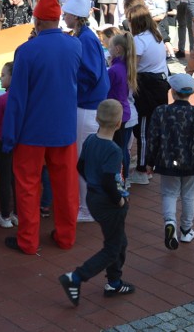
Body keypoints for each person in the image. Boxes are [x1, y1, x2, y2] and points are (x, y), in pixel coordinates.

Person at [3, 0, 82, 254]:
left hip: (31, 132)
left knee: (27, 187)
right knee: (66, 186)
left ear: (36, 19)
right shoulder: (74, 46)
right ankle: (66, 236)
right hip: (64, 130)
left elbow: (17, 99)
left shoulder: (26, 51)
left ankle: (28, 240)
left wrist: (9, 136)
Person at [59, 99, 133, 307]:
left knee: (119, 241)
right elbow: (110, 180)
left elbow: (80, 166)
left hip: (93, 198)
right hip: (109, 202)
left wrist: (93, 181)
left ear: (97, 118)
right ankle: (76, 277)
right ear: (119, 123)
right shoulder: (114, 150)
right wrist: (118, 199)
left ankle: (114, 281)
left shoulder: (91, 140)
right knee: (113, 247)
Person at [145, 73, 194, 247]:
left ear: (173, 92)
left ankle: (170, 222)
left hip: (167, 162)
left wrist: (149, 162)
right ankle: (186, 230)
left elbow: (152, 138)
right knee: (188, 196)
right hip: (191, 162)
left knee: (169, 193)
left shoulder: (161, 111)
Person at [61, 0, 110, 223]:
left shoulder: (85, 39)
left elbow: (89, 74)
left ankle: (86, 209)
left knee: (83, 159)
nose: (63, 17)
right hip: (91, 105)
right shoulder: (86, 36)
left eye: (66, 14)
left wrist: (71, 88)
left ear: (76, 15)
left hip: (86, 106)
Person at [126, 5, 170, 186]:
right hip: (159, 83)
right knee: (151, 128)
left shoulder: (139, 39)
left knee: (143, 130)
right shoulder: (155, 34)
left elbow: (132, 65)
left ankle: (143, 169)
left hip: (147, 87)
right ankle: (148, 163)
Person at [0, 61, 20, 227]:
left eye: (3, 75)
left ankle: (4, 216)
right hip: (20, 143)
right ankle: (17, 212)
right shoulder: (25, 97)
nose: (0, 77)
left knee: (4, 178)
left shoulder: (3, 100)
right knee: (16, 178)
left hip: (3, 142)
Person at [107, 32, 137, 182]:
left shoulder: (114, 70)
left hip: (115, 113)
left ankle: (118, 179)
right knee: (123, 148)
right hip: (125, 112)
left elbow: (105, 89)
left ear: (117, 49)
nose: (108, 48)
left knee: (116, 149)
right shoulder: (126, 66)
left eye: (110, 46)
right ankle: (125, 179)